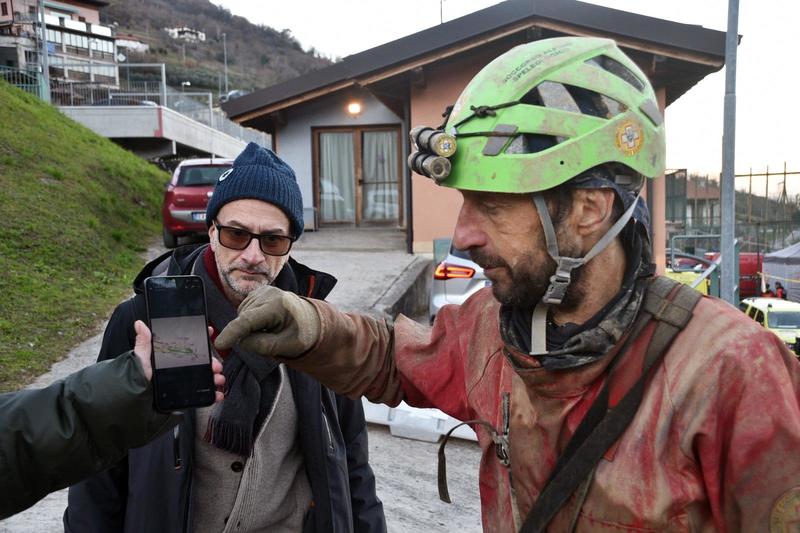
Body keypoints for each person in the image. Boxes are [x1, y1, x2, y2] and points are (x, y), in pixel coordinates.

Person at [216, 38, 800, 531]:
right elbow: (395, 356)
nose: (463, 234)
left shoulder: (733, 374)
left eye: (492, 206)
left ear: (588, 210)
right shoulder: (496, 328)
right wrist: (311, 325)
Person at [65, 143, 386, 533]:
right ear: (212, 231)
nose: (253, 255)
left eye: (272, 240)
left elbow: (352, 459)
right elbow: (99, 459)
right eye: (237, 234)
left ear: (290, 246)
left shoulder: (319, 324)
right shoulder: (146, 319)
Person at [0, 321, 225, 519]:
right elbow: (96, 488)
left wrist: (127, 388)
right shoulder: (133, 313)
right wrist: (129, 388)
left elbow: (17, 446)